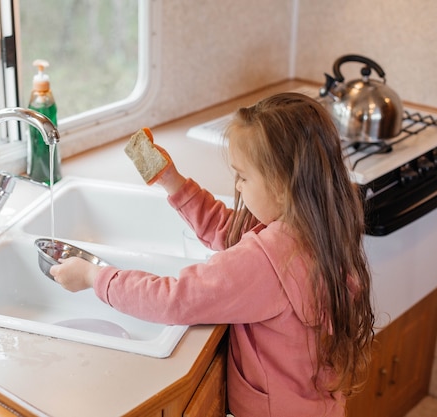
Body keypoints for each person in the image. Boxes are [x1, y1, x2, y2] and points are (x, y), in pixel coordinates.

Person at [50, 92, 374, 416]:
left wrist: (94, 277)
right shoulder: (318, 225)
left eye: (243, 176)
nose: (238, 186)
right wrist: (172, 182)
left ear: (282, 185)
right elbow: (232, 231)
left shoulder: (268, 261)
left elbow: (173, 299)